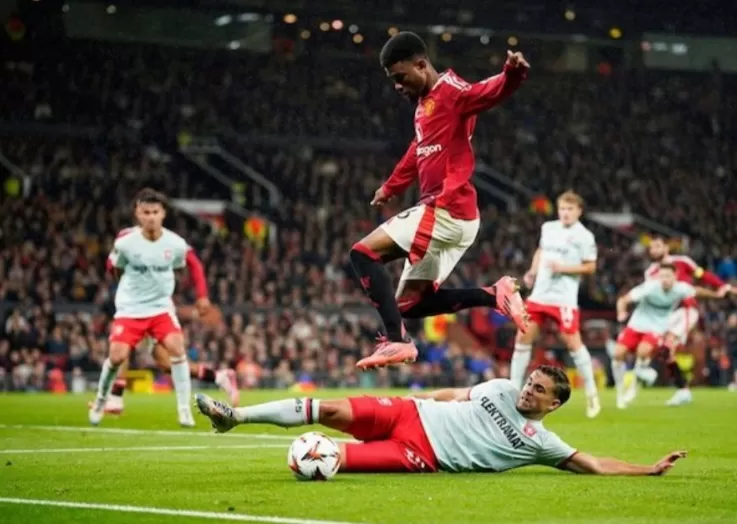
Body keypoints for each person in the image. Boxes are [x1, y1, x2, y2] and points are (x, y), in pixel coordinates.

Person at [349, 31, 530, 370]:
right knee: (408, 304)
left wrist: (513, 74)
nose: (398, 87)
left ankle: (397, 341)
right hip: (454, 217)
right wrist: (391, 187)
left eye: (400, 77)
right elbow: (417, 149)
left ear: (421, 65)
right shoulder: (423, 106)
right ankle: (494, 294)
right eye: (393, 81)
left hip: (447, 208)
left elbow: (485, 92)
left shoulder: (452, 92)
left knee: (362, 254)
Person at [194, 365, 686, 476]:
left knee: (334, 458)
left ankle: (312, 455)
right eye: (530, 381)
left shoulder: (541, 442)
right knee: (330, 408)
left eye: (538, 389)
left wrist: (649, 468)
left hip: (422, 454)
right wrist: (419, 397)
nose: (527, 389)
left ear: (553, 403)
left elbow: (595, 464)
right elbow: (456, 393)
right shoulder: (499, 388)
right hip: (412, 413)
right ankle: (233, 416)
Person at [88, 188, 213, 427]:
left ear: (163, 213)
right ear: (137, 213)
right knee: (117, 357)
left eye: (155, 212)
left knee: (177, 349)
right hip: (130, 309)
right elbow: (112, 266)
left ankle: (184, 410)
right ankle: (101, 400)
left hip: (160, 309)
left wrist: (202, 296)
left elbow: (193, 264)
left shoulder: (174, 243)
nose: (151, 217)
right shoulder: (126, 242)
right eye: (146, 212)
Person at [510, 191, 601, 418]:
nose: (565, 213)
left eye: (570, 209)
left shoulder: (584, 236)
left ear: (579, 211)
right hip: (540, 296)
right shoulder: (548, 228)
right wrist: (532, 271)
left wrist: (564, 269)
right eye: (562, 209)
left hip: (564, 300)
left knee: (573, 343)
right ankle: (511, 389)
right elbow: (541, 251)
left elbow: (590, 267)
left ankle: (592, 393)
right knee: (522, 336)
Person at [613, 262, 727, 408]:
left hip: (656, 328)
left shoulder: (680, 289)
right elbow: (623, 299)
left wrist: (716, 295)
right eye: (662, 276)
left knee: (644, 351)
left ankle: (637, 384)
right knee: (617, 354)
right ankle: (621, 392)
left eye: (667, 276)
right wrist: (621, 312)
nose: (664, 279)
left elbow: (697, 291)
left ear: (675, 276)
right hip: (636, 324)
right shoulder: (650, 287)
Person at [645, 237, 732, 405]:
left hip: (685, 310)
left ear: (666, 247)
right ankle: (683, 390)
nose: (654, 250)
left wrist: (721, 285)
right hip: (665, 315)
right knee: (664, 353)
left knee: (667, 347)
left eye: (657, 246)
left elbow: (702, 274)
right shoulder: (650, 273)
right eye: (651, 248)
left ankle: (682, 389)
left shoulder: (682, 262)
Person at [91, 335, 239, 416]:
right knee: (168, 366)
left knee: (124, 342)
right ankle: (219, 377)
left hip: (150, 311)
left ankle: (115, 398)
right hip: (145, 309)